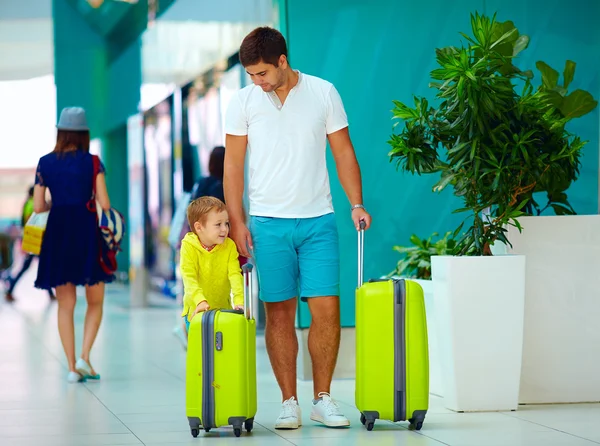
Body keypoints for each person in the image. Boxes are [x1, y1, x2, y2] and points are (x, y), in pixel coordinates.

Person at [223, 27, 372, 430]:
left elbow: (343, 152)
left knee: (327, 311)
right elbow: (233, 165)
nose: (257, 81)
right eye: (251, 74)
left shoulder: (323, 92)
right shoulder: (243, 102)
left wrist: (356, 203)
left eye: (262, 73)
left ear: (283, 62)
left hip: (318, 220)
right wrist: (237, 221)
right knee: (280, 314)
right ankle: (289, 402)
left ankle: (323, 398)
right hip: (268, 224)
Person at [33, 107, 114, 383]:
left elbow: (37, 205)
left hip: (57, 233)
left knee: (65, 303)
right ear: (84, 134)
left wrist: (56, 203)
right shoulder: (92, 162)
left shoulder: (45, 163)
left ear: (60, 131)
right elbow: (105, 203)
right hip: (87, 232)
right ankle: (85, 357)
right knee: (95, 300)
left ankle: (70, 367)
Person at [180, 196, 244, 332]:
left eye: (226, 223)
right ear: (199, 227)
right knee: (200, 351)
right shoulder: (188, 246)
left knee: (222, 351)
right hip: (196, 311)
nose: (224, 229)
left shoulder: (229, 246)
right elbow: (189, 278)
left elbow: (235, 275)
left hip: (223, 311)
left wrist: (239, 302)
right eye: (218, 224)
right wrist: (200, 301)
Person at [4, 186, 55, 302]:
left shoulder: (29, 203)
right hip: (35, 240)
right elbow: (30, 221)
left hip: (34, 240)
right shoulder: (32, 204)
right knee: (39, 267)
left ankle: (11, 289)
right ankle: (10, 289)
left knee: (33, 266)